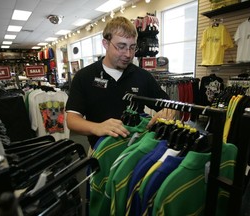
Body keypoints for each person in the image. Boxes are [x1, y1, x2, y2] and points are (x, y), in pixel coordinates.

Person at [66, 16, 175, 149]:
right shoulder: (84, 76)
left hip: (136, 151)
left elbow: (169, 106)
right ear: (106, 44)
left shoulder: (143, 77)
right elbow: (72, 120)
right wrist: (98, 127)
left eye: (132, 47)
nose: (128, 54)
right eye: (121, 47)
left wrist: (167, 113)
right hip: (99, 152)